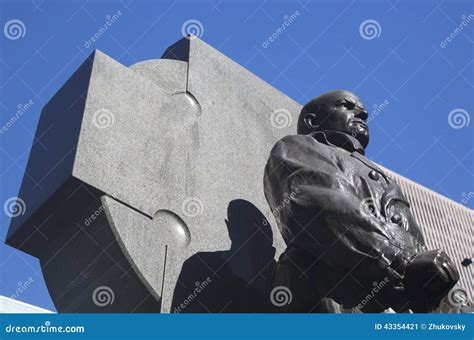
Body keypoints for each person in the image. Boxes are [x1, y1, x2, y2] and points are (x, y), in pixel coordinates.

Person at [264, 90, 459, 312]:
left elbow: (416, 245)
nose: (363, 114)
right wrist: (402, 258)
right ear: (312, 120)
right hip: (330, 292)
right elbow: (320, 205)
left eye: (364, 113)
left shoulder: (383, 177)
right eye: (347, 105)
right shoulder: (298, 147)